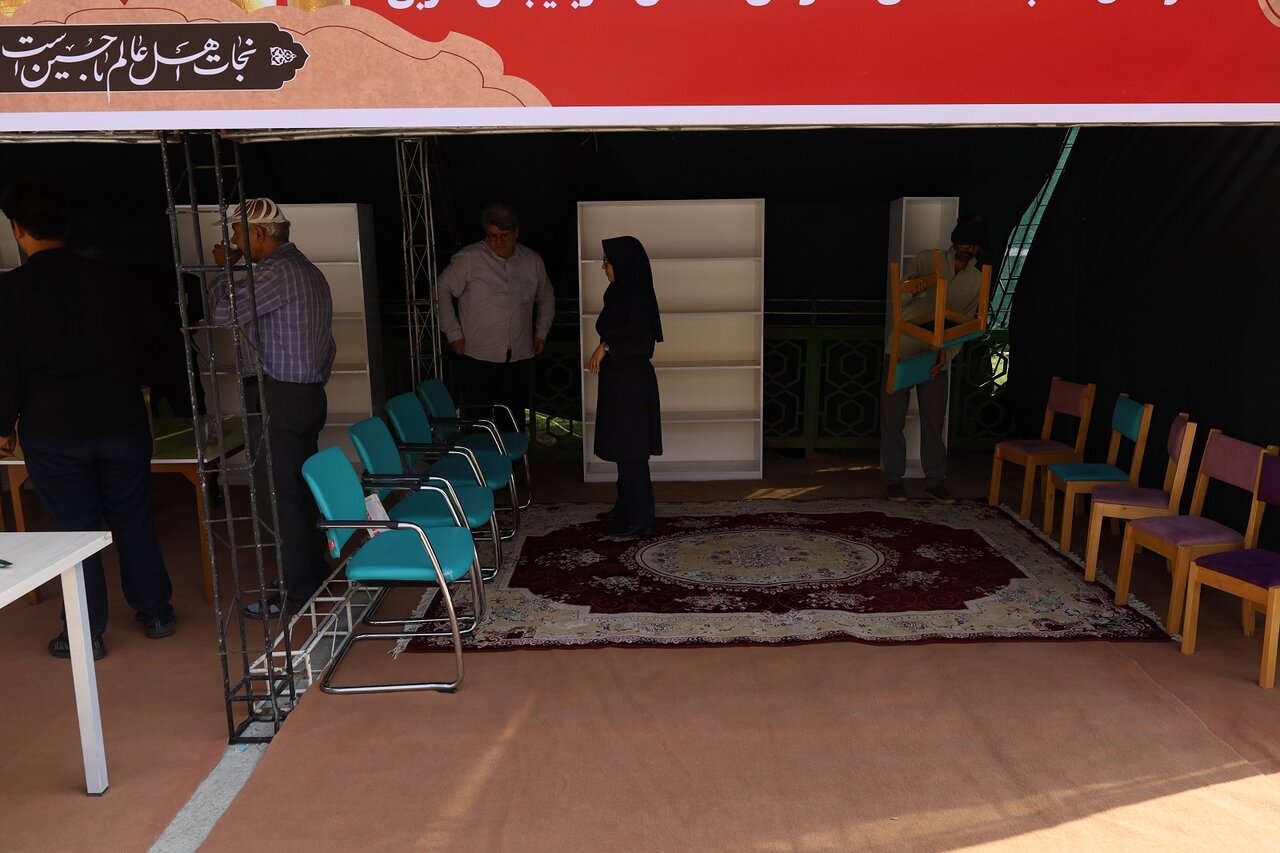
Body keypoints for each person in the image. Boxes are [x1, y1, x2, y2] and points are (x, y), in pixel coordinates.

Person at [0, 177, 176, 659]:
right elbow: (154, 333)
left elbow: (4, 364)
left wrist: (3, 426)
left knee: (74, 531)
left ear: (17, 229)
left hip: (53, 428)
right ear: (67, 225)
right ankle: (156, 612)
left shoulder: (9, 291)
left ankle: (85, 631)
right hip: (120, 417)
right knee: (133, 516)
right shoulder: (111, 277)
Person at [209, 198, 335, 618]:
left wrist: (222, 271)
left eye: (237, 234)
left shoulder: (275, 273)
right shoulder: (309, 271)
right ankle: (313, 574)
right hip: (306, 393)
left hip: (277, 397)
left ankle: (297, 591)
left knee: (280, 497)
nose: (233, 242)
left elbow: (223, 313)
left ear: (258, 234)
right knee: (302, 491)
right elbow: (328, 346)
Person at [880, 214, 989, 504]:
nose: (969, 249)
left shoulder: (977, 281)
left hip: (936, 355)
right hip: (904, 347)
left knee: (933, 419)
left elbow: (965, 326)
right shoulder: (927, 260)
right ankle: (893, 479)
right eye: (965, 242)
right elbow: (899, 298)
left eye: (975, 245)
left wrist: (946, 355)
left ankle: (934, 481)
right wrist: (912, 289)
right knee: (893, 417)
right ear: (956, 240)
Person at [436, 203, 555, 433]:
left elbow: (547, 296)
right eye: (493, 236)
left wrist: (541, 332)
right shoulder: (469, 258)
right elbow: (443, 288)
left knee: (513, 419)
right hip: (476, 353)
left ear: (516, 232)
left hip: (517, 354)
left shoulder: (532, 261)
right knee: (477, 420)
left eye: (504, 236)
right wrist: (453, 333)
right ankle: (478, 456)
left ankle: (512, 457)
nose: (499, 241)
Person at [586, 236, 663, 539]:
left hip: (632, 385)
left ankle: (642, 518)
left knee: (632, 451)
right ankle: (625, 505)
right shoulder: (619, 294)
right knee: (623, 447)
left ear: (624, 264)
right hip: (619, 382)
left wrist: (606, 347)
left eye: (608, 261)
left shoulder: (638, 299)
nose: (603, 267)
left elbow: (644, 345)